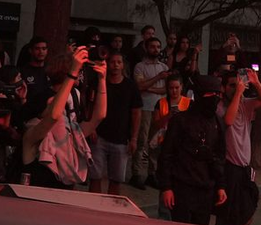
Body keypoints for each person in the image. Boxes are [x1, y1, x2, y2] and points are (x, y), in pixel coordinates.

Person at [20, 47, 107, 188]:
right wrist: (72, 72)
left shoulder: (68, 135)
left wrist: (102, 79)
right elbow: (53, 116)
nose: (63, 113)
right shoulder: (32, 136)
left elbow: (99, 117)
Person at [158, 76, 228, 225]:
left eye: (217, 95)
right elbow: (167, 154)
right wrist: (166, 187)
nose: (215, 98)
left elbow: (220, 156)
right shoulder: (180, 120)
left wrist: (221, 186)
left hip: (205, 189)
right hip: (182, 186)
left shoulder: (218, 122)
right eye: (210, 95)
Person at [215, 67, 261, 225]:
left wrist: (256, 82)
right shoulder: (219, 106)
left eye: (237, 84)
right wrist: (238, 93)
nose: (236, 87)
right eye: (231, 85)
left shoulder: (246, 104)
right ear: (223, 88)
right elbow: (229, 120)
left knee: (248, 209)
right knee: (226, 215)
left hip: (245, 167)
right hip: (229, 167)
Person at [89, 51, 142, 196]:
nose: (116, 65)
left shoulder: (131, 86)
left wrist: (134, 138)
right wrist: (90, 127)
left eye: (119, 62)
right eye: (113, 62)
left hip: (121, 138)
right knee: (95, 176)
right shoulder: (99, 81)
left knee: (116, 179)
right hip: (98, 136)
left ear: (123, 65)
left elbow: (136, 113)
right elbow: (89, 105)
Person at [132, 36, 170, 187]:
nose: (156, 49)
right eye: (153, 46)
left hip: (160, 109)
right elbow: (139, 86)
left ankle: (152, 173)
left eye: (158, 46)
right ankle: (136, 173)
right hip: (145, 108)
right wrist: (157, 78)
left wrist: (149, 87)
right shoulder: (140, 66)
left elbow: (166, 89)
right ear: (147, 48)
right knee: (141, 141)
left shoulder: (164, 68)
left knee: (156, 143)